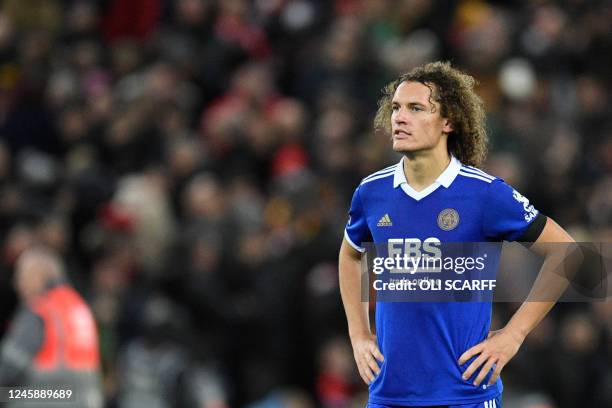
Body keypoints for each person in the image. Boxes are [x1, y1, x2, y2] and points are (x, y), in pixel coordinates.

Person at [338, 61, 575, 408]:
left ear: (448, 122)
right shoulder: (371, 192)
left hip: (465, 395)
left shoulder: (485, 194)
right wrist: (358, 334)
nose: (400, 118)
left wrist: (513, 335)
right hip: (389, 395)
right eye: (396, 108)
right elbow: (350, 253)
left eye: (416, 108)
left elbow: (568, 253)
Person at [0, 246, 103, 408]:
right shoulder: (79, 307)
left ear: (38, 275)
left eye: (21, 276)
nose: (17, 284)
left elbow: (9, 368)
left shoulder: (40, 310)